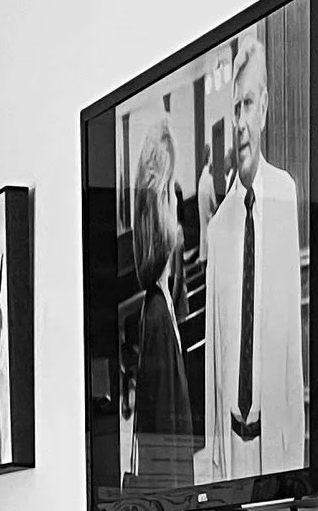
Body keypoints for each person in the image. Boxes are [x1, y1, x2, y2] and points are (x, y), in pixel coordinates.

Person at [201, 29, 306, 481]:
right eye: (235, 108)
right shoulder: (219, 228)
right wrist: (213, 471)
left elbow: (290, 351)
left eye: (249, 104)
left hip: (275, 444)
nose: (241, 121)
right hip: (232, 448)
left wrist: (299, 466)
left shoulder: (285, 196)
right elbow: (212, 366)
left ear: (264, 107)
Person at [129, 123, 195, 482]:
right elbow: (164, 460)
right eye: (171, 191)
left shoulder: (162, 305)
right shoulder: (155, 315)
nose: (176, 201)